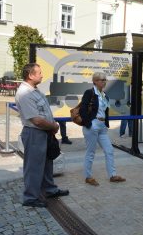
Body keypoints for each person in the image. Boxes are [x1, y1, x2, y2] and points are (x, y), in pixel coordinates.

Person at [15, 63, 69, 208]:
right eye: (38, 72)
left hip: (44, 132)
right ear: (30, 75)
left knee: (47, 163)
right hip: (34, 133)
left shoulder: (34, 90)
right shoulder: (24, 93)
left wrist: (50, 127)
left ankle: (50, 190)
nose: (41, 75)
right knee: (34, 166)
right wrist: (54, 126)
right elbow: (36, 120)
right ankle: (30, 197)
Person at [80, 72, 126, 186]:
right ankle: (88, 177)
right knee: (90, 152)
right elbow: (83, 110)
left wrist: (105, 124)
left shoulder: (104, 95)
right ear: (95, 81)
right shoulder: (89, 93)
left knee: (109, 150)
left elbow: (105, 111)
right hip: (93, 125)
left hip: (102, 127)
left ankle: (112, 175)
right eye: (101, 80)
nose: (104, 82)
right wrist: (88, 124)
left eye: (105, 80)